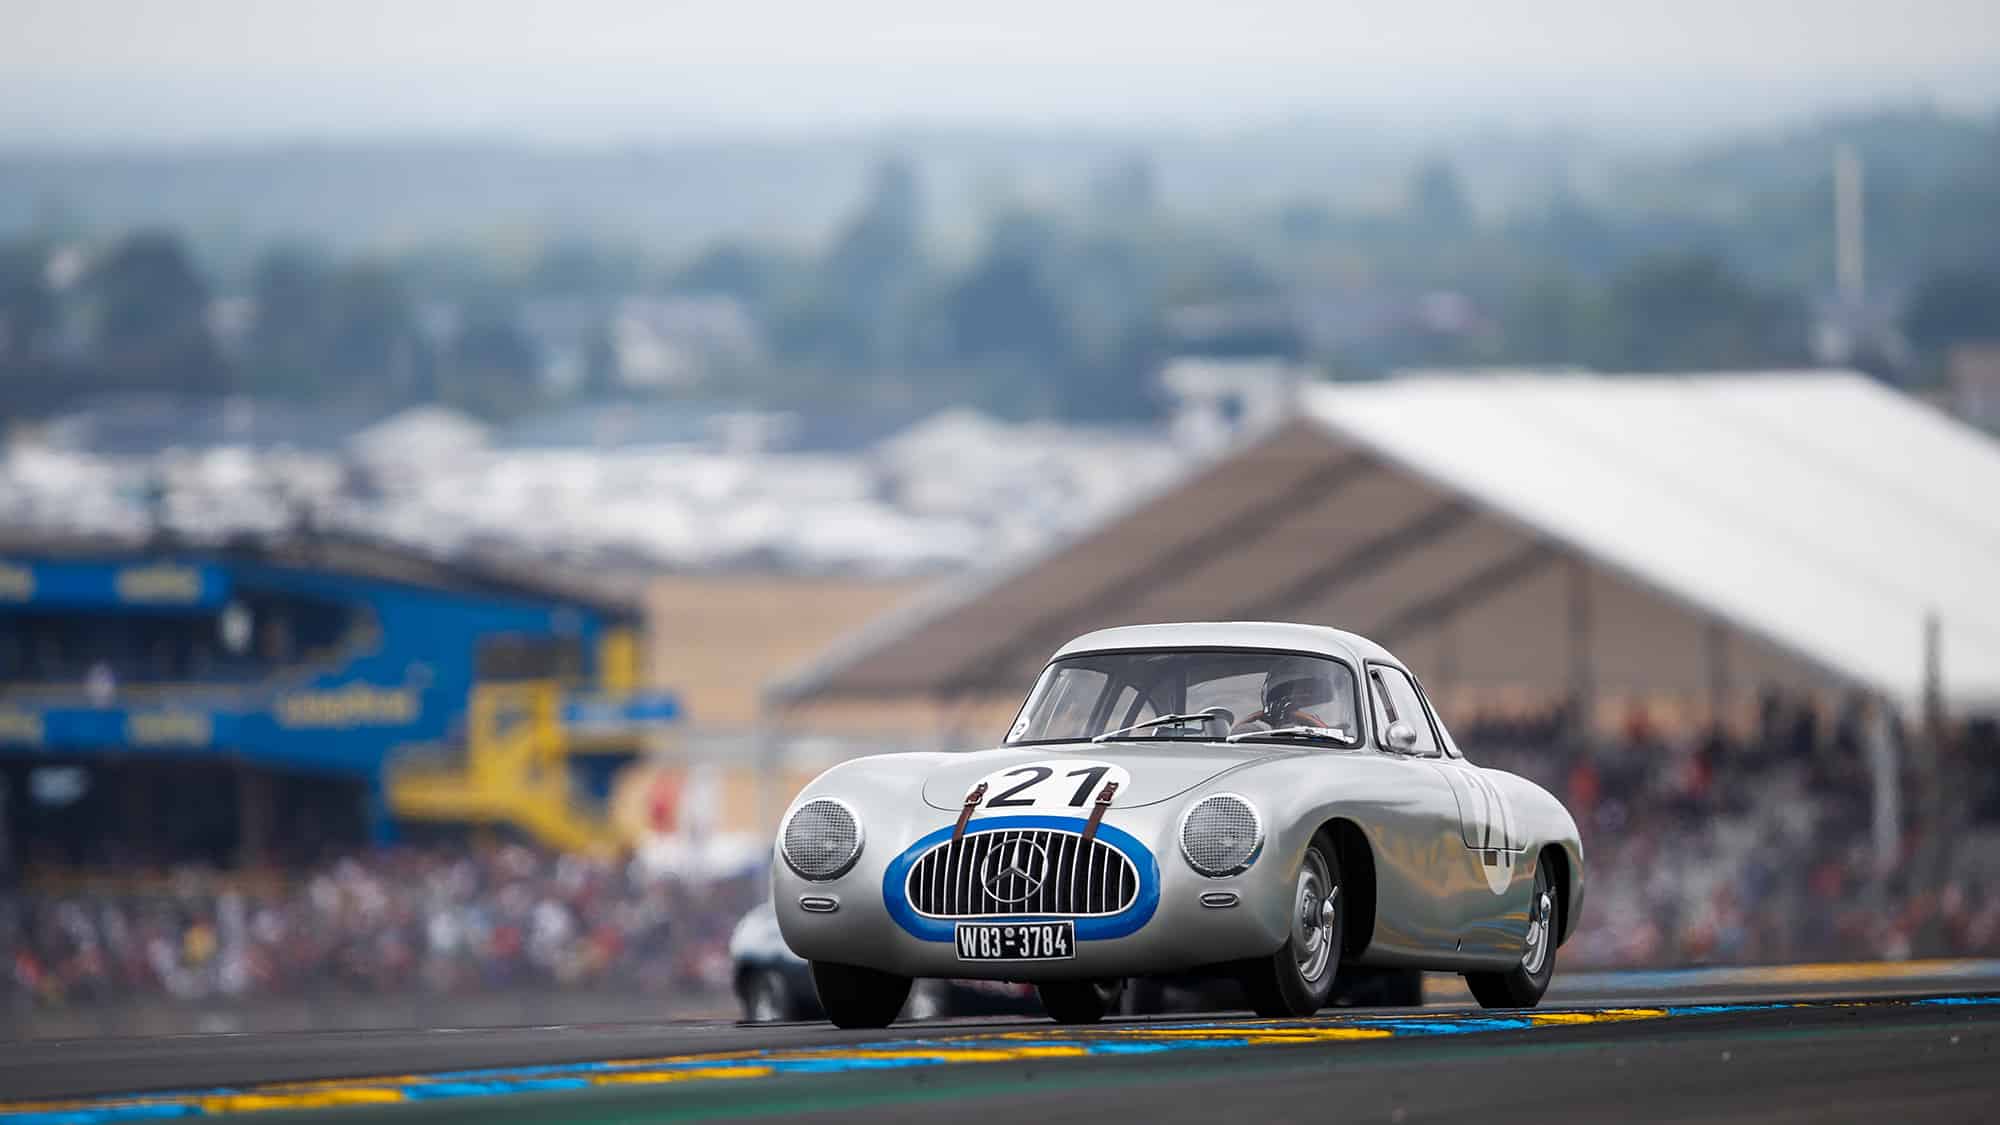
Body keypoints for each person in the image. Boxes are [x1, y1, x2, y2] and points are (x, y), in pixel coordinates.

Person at [1230, 669, 1338, 734]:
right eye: (1285, 692)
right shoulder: (1256, 732)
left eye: (1310, 691)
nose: (1298, 696)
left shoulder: (1342, 734)